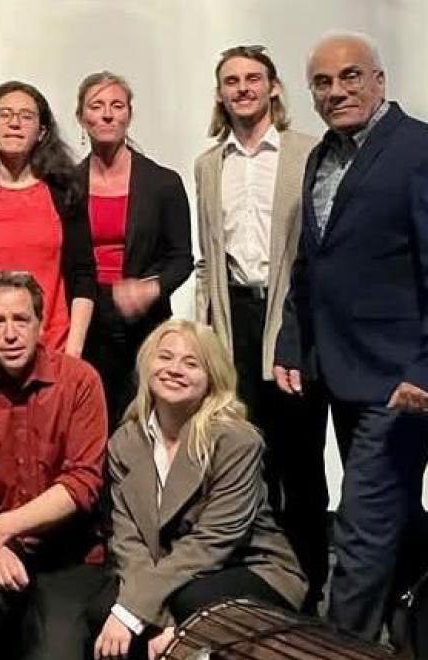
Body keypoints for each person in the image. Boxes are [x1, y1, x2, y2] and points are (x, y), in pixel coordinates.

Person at [275, 31, 428, 641]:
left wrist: (424, 370)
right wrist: (292, 342)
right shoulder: (322, 155)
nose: (336, 91)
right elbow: (311, 265)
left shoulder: (418, 150)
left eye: (350, 76)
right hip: (341, 374)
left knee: (362, 524)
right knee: (395, 515)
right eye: (322, 82)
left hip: (402, 382)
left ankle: (340, 646)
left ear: (379, 81)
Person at [192, 45, 327, 612]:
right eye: (231, 80)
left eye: (253, 78)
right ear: (220, 93)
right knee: (247, 456)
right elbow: (209, 259)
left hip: (293, 318)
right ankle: (261, 583)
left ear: (273, 87)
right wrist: (204, 333)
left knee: (301, 459)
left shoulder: (308, 152)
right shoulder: (209, 165)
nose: (243, 88)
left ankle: (310, 586)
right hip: (234, 320)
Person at [93, 319, 306, 660]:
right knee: (103, 607)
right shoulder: (125, 442)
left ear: (212, 379)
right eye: (165, 357)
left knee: (188, 604)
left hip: (247, 565)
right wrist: (153, 616)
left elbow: (213, 541)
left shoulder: (236, 440)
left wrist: (138, 610)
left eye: (191, 363)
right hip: (169, 570)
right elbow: (128, 540)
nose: (174, 369)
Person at [0, 270, 108, 660]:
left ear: (40, 323)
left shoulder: (80, 381)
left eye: (21, 319)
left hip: (68, 553)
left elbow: (81, 482)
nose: (10, 334)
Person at [0, 81, 96, 365]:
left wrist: (73, 355)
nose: (15, 123)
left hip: (57, 347)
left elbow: (84, 275)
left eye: (26, 116)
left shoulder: (64, 188)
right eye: (5, 114)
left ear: (42, 131)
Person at [75, 71, 192, 424]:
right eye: (97, 106)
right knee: (92, 422)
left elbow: (181, 258)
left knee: (143, 420)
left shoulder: (163, 183)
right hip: (86, 320)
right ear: (81, 117)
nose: (107, 114)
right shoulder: (67, 184)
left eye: (117, 105)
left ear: (129, 114)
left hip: (144, 323)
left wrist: (151, 288)